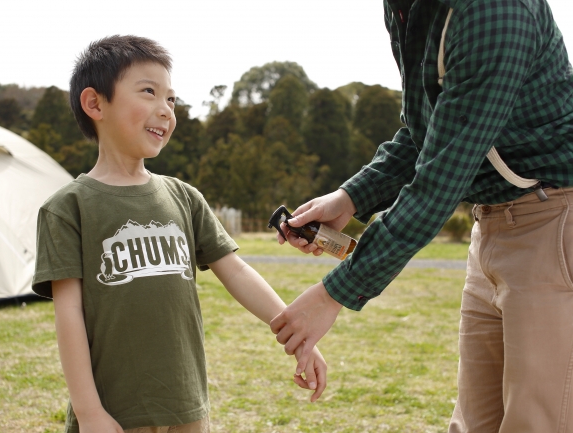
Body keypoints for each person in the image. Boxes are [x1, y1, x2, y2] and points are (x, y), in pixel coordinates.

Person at [270, 1, 573, 432]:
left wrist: (333, 294)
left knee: (537, 422)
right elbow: (428, 132)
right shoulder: (404, 8)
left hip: (556, 219)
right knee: (472, 423)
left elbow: (438, 184)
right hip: (489, 224)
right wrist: (349, 197)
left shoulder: (495, 10)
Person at [32, 35, 327, 433]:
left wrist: (298, 337)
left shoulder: (184, 198)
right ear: (95, 103)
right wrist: (89, 413)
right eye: (149, 92)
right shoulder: (68, 208)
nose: (166, 110)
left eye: (171, 99)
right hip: (115, 414)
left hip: (187, 407)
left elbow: (237, 273)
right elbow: (68, 313)